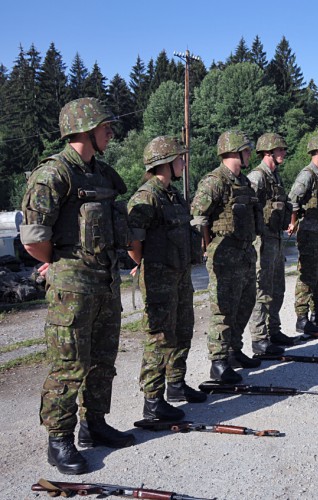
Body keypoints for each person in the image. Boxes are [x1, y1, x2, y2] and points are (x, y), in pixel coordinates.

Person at [20, 97, 134, 475]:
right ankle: (59, 438)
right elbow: (34, 239)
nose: (110, 131)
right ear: (83, 130)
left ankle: (95, 424)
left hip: (105, 281)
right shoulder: (54, 174)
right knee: (69, 365)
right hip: (72, 285)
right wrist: (64, 264)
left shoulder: (102, 174)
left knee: (103, 360)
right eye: (104, 126)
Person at [127, 136, 206, 424]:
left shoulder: (173, 194)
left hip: (180, 274)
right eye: (180, 158)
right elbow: (133, 243)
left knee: (183, 329)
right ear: (166, 162)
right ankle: (152, 402)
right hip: (160, 277)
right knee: (159, 337)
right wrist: (149, 266)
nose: (183, 162)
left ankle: (176, 384)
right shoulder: (147, 196)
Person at [191, 130, 261, 383]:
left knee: (246, 302)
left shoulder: (243, 182)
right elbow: (198, 216)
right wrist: (209, 248)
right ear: (234, 151)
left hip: (244, 252)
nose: (250, 154)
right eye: (246, 149)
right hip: (224, 253)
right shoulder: (215, 181)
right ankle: (218, 362)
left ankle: (233, 350)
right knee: (223, 309)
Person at [247, 132, 298, 354]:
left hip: (275, 238)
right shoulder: (257, 178)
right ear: (268, 151)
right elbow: (247, 209)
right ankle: (259, 339)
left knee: (277, 287)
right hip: (262, 240)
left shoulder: (275, 177)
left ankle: (273, 330)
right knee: (262, 289)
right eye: (280, 149)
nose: (284, 153)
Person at [287, 135, 318, 333]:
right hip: (309, 233)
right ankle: (302, 317)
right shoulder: (306, 175)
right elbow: (293, 199)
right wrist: (293, 223)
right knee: (307, 276)